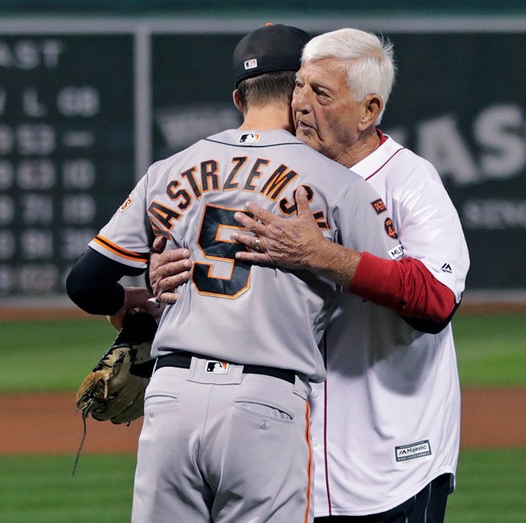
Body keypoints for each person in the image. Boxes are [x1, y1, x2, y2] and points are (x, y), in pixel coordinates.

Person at [65, 24, 404, 523]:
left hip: (172, 396)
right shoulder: (338, 183)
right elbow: (395, 294)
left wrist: (133, 304)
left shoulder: (169, 169)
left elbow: (85, 284)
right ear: (300, 91)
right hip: (265, 404)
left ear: (237, 97)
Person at [150, 28, 470, 522]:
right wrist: (161, 280)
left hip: (392, 459)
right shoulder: (274, 175)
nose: (300, 103)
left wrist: (322, 255)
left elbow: (436, 301)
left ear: (369, 111)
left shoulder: (408, 180)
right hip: (291, 457)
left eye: (321, 93)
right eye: (299, 86)